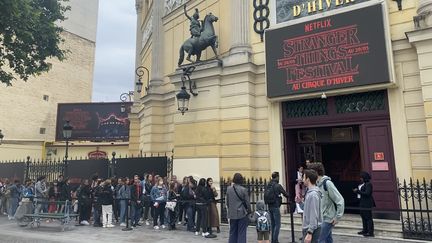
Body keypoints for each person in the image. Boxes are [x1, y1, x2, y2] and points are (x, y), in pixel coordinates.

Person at [308, 162, 345, 243]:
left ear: (316, 172)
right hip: (320, 218)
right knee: (328, 240)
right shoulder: (316, 184)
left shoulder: (327, 183)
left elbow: (340, 200)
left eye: (311, 172)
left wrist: (337, 217)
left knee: (319, 240)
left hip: (327, 218)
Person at [264, 171, 290, 243]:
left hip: (269, 206)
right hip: (275, 206)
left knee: (273, 224)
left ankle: (273, 240)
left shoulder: (268, 185)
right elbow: (286, 194)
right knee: (277, 225)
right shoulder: (277, 185)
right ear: (277, 177)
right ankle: (275, 240)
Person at [226, 173, 251, 243]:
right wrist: (249, 211)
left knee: (232, 232)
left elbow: (227, 202)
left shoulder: (229, 189)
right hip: (241, 213)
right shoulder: (243, 190)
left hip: (232, 213)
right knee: (242, 233)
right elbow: (247, 203)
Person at [302, 169, 322, 243]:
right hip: (309, 228)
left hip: (312, 229)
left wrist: (310, 232)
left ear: (308, 179)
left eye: (303, 177)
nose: (302, 179)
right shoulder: (310, 193)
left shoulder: (313, 195)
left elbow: (314, 214)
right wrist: (300, 203)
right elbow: (308, 209)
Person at [353, 171, 375, 237]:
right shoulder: (363, 184)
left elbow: (367, 193)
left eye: (361, 178)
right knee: (363, 217)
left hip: (367, 203)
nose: (360, 179)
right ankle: (365, 230)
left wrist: (358, 191)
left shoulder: (368, 184)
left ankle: (370, 232)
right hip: (362, 202)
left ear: (364, 178)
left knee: (368, 218)